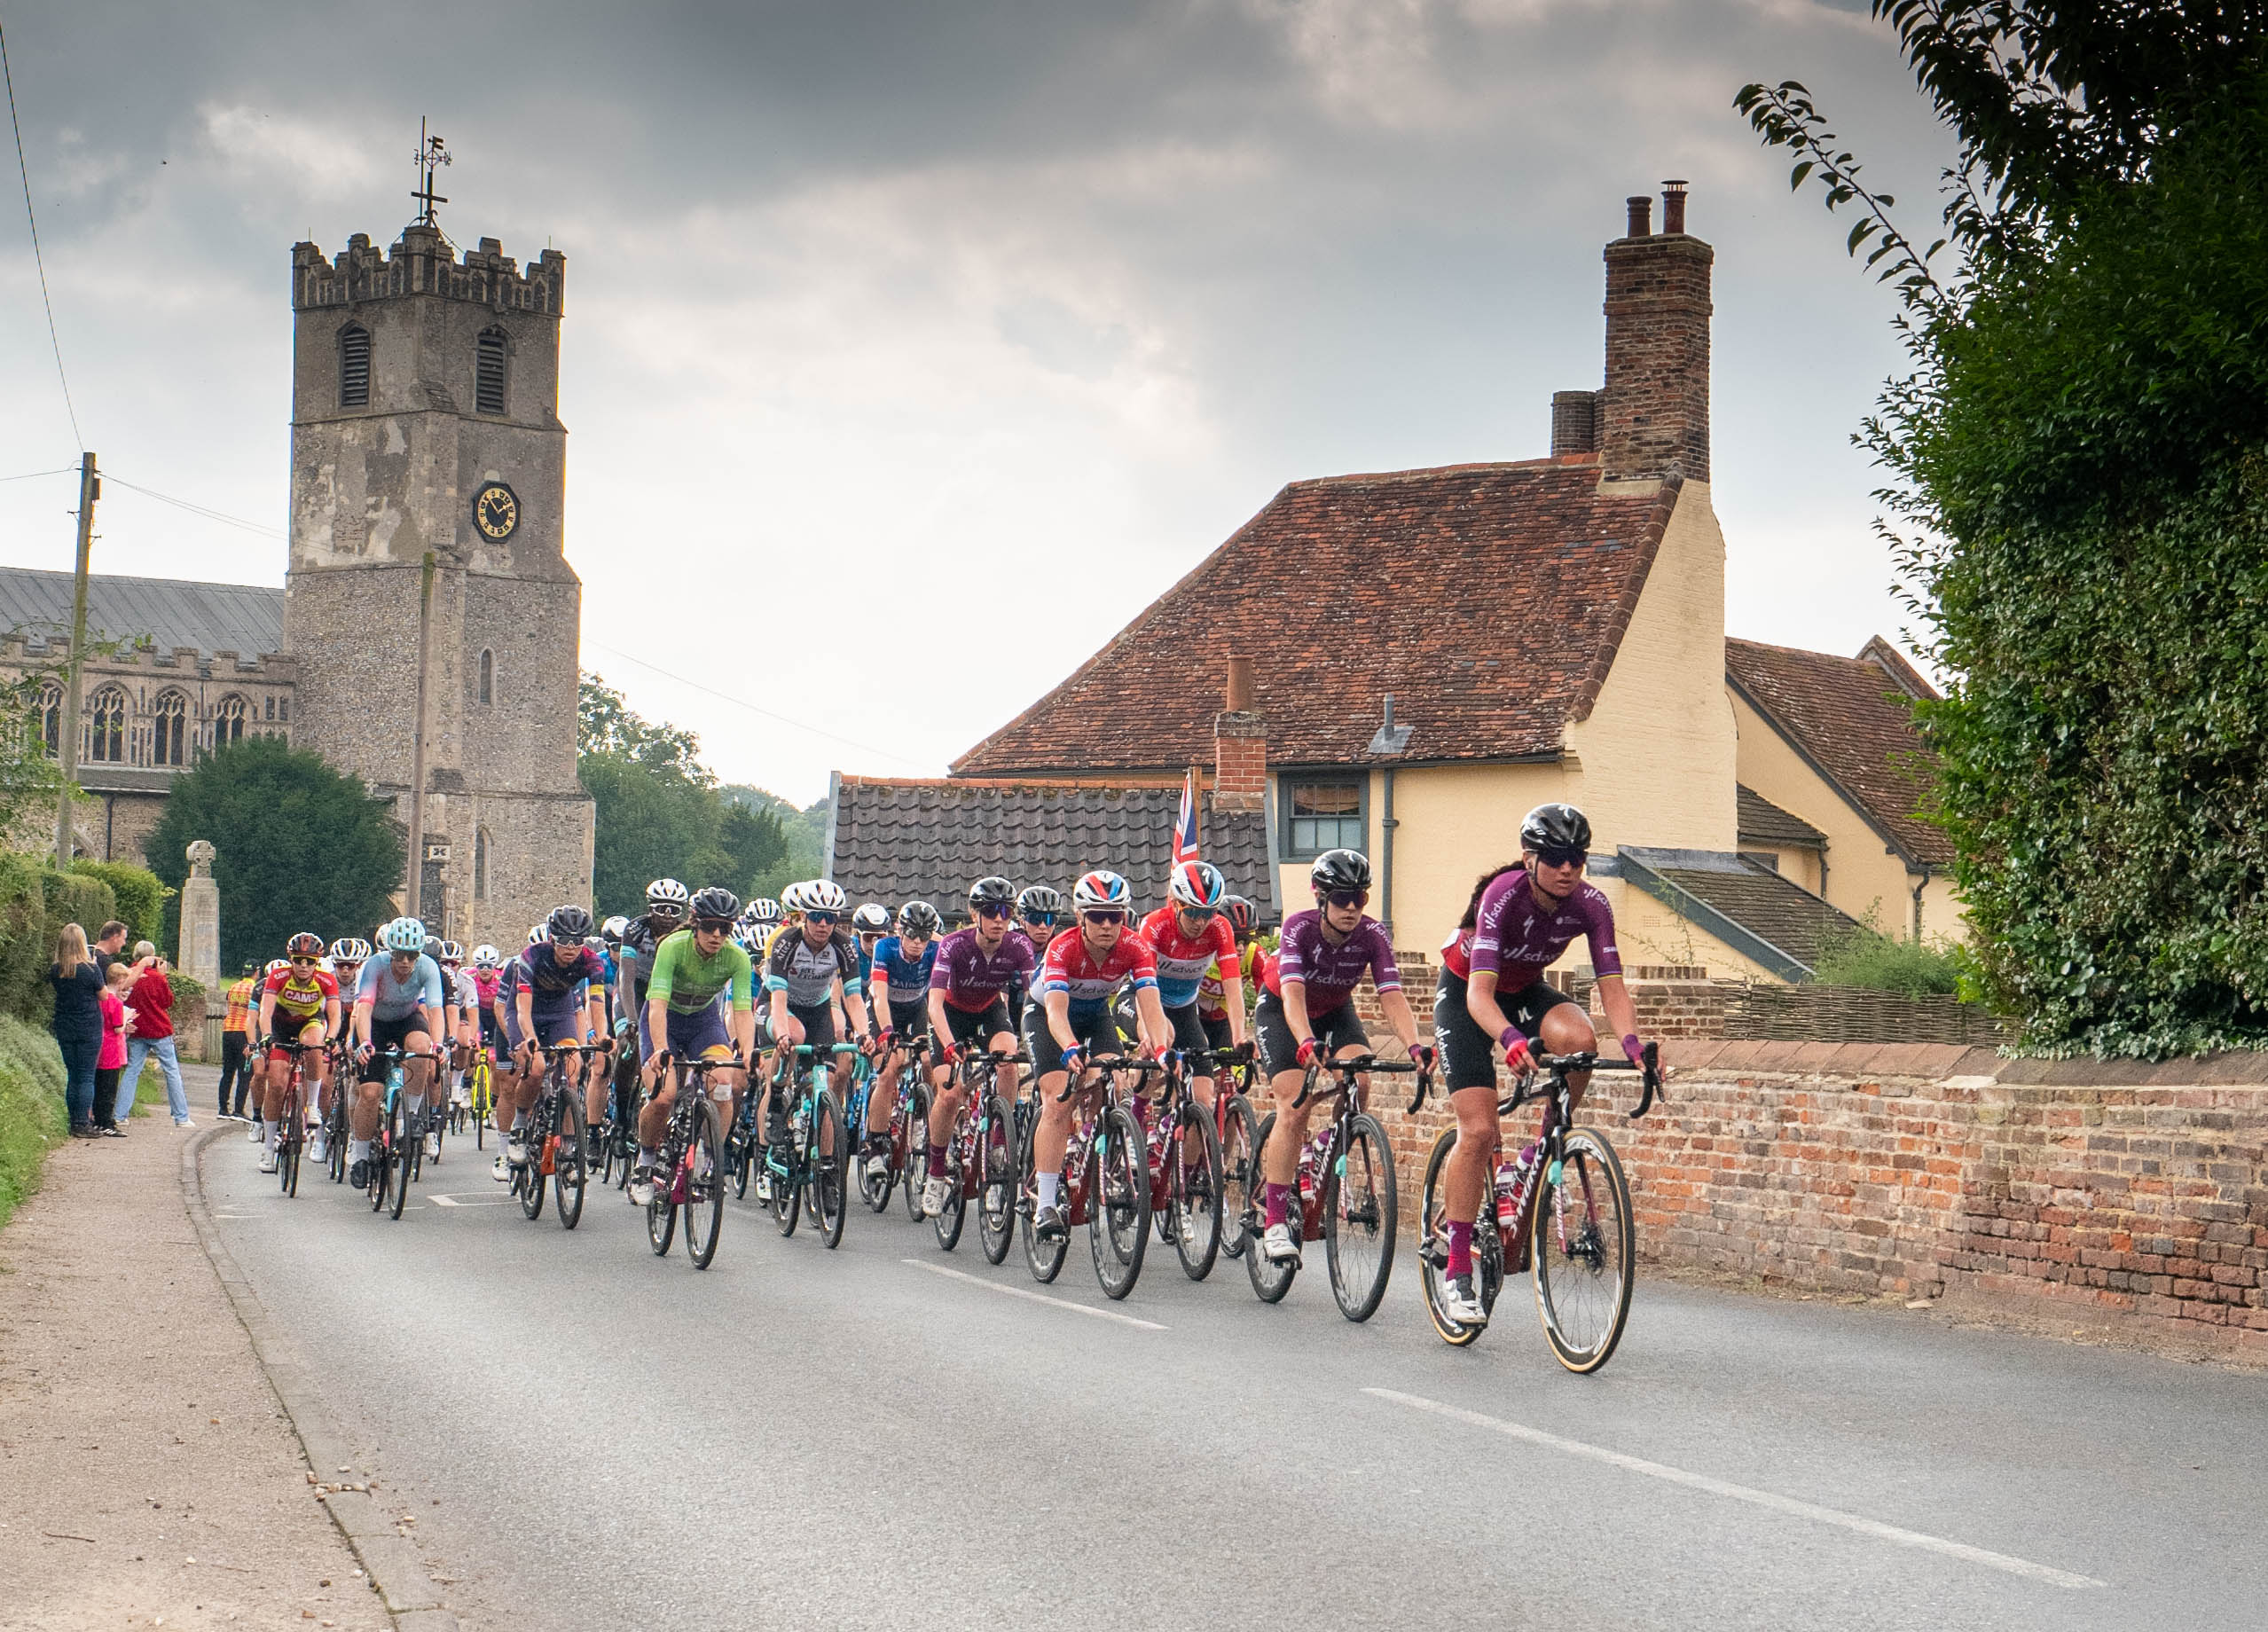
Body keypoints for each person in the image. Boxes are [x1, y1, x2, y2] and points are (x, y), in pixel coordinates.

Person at [1432, 803, 1645, 1327]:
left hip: (1524, 988)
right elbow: (1481, 996)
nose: (1568, 868)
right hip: (1467, 996)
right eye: (1555, 858)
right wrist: (1506, 1038)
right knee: (1479, 1129)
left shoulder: (1592, 905)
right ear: (1530, 859)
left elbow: (1611, 987)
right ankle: (1457, 1269)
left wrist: (1638, 1046)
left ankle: (1536, 1152)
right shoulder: (1502, 895)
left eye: (1577, 857)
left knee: (1579, 1039)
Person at [1254, 849, 1431, 1267]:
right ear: (1321, 898)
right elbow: (1293, 996)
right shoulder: (1298, 929)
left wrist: (1415, 1046)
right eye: (1341, 899)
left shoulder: (1373, 934)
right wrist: (1305, 1042)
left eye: (1360, 898)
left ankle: (1323, 1150)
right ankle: (1276, 1221)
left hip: (1336, 1009)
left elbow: (1392, 996)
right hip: (1283, 1009)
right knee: (1293, 1105)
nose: (1351, 908)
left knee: (1360, 1079)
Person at [1027, 869, 1170, 1239]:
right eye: (1097, 916)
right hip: (1048, 1019)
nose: (1107, 925)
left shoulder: (1134, 947)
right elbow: (1056, 1013)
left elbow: (1151, 1008)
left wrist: (1160, 1048)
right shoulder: (1063, 947)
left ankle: (1087, 1145)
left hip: (1095, 1016)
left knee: (1115, 1082)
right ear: (1080, 918)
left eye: (1115, 916)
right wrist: (1070, 1047)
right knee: (1058, 1102)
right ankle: (1044, 1203)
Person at [631, 887, 757, 1206]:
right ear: (695, 924)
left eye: (725, 928)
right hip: (665, 1019)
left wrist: (749, 1051)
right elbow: (656, 1005)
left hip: (703, 1019)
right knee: (663, 1096)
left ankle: (713, 1162)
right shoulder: (672, 946)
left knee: (725, 1082)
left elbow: (743, 1011)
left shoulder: (736, 957)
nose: (717, 935)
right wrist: (660, 1049)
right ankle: (645, 1161)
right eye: (710, 926)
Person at [922, 876, 1033, 1217]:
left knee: (1009, 1061)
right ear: (975, 915)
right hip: (951, 1016)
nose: (1000, 918)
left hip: (989, 1010)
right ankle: (936, 1171)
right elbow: (934, 1004)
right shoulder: (954, 945)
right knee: (950, 1093)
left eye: (1007, 911)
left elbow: (1034, 998)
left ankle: (1001, 1137)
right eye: (992, 911)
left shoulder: (1019, 946)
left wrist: (1036, 1039)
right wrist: (950, 1043)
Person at [1136, 860, 1245, 1125]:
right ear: (1175, 904)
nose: (1200, 922)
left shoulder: (1220, 928)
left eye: (1208, 913)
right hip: (1145, 1000)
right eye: (1193, 912)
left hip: (1185, 1008)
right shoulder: (1155, 925)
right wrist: (1146, 1029)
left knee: (1203, 1100)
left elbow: (1233, 987)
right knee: (1163, 1039)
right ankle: (1136, 1120)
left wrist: (1240, 1036)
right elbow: (1145, 985)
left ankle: (1188, 1162)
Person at [349, 917, 444, 1188]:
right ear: (390, 952)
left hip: (406, 1019)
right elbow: (364, 1007)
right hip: (375, 1024)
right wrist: (365, 1042)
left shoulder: (428, 966)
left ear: (419, 954)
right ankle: (360, 1156)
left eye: (412, 955)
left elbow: (436, 1009)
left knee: (421, 1047)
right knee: (370, 1093)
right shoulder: (375, 965)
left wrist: (439, 1044)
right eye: (399, 955)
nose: (405, 962)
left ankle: (411, 1116)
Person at [863, 900, 940, 1164]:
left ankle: (921, 1113)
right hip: (884, 1010)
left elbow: (941, 997)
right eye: (912, 935)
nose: (918, 942)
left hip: (916, 1008)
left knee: (929, 1059)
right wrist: (886, 1031)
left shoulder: (934, 950)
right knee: (889, 1069)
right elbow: (879, 997)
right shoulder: (885, 948)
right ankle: (874, 1143)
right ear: (899, 931)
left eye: (925, 936)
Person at [256, 937, 341, 1174]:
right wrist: (266, 1035)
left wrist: (331, 1038)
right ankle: (268, 1149)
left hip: (310, 1023)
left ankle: (312, 1104)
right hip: (281, 1026)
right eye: (299, 960)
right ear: (290, 960)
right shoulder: (279, 976)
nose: (304, 965)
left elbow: (334, 1016)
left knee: (316, 1044)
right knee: (276, 1086)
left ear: (317, 963)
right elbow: (266, 1011)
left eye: (310, 961)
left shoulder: (326, 980)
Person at [122, 945, 192, 1128]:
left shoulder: (128, 974)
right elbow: (167, 1002)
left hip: (136, 1028)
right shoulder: (156, 977)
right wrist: (163, 976)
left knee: (132, 1071)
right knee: (172, 1072)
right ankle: (181, 1117)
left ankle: (120, 1114)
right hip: (158, 1030)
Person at [49, 924, 106, 1137]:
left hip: (65, 1026)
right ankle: (82, 1123)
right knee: (86, 1076)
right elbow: (103, 995)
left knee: (73, 1075)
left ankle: (73, 1120)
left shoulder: (57, 970)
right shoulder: (90, 969)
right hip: (88, 1027)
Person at [95, 961, 136, 1137]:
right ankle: (107, 1122)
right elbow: (118, 1028)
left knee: (99, 1085)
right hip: (112, 1048)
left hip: (99, 1044)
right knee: (110, 1088)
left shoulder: (100, 998)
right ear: (120, 981)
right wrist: (127, 1018)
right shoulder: (116, 1003)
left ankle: (97, 1121)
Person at [218, 961, 258, 1120]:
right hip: (243, 1032)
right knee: (246, 1072)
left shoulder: (234, 987)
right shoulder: (254, 989)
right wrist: (252, 1041)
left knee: (227, 1071)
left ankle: (222, 1108)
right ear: (256, 972)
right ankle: (239, 1109)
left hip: (228, 1030)